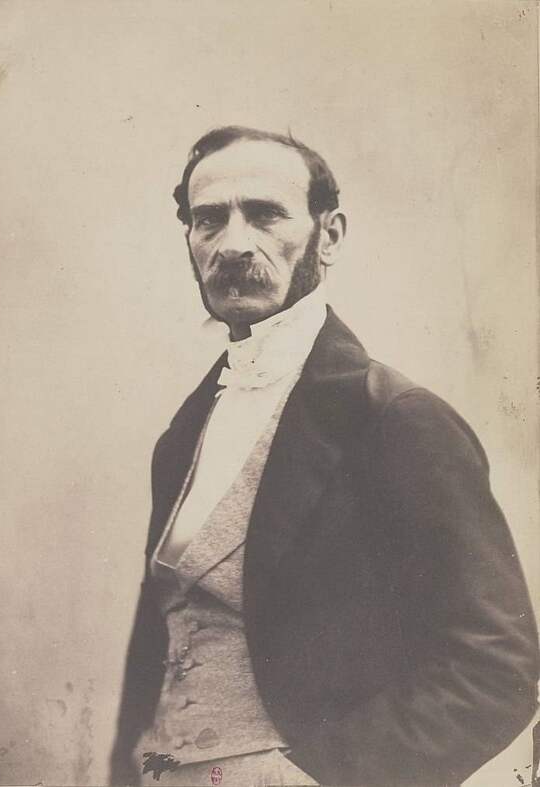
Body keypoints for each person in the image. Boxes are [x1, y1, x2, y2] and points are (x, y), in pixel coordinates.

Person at [110, 126, 539, 787]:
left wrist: (325, 778)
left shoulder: (395, 417)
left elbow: (499, 667)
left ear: (328, 235)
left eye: (264, 214)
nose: (233, 244)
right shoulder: (185, 433)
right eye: (209, 219)